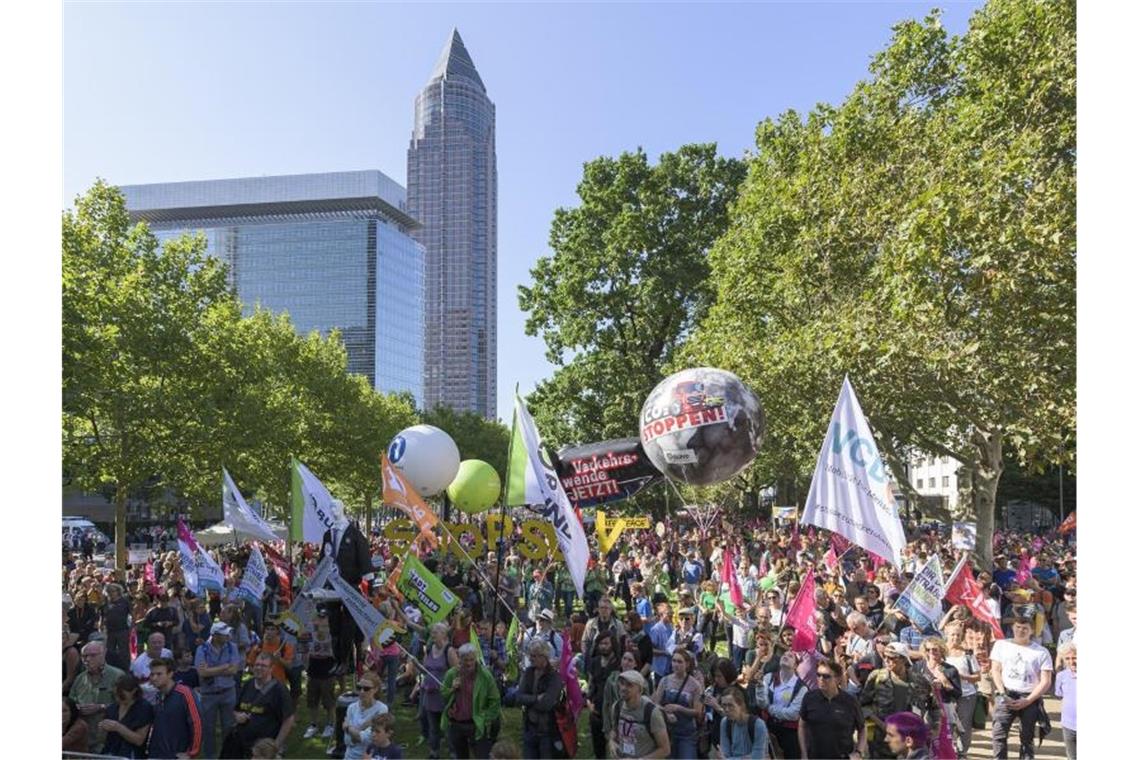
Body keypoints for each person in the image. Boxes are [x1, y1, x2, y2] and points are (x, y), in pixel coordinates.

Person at [861, 642, 941, 758]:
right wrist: (882, 725)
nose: (886, 661)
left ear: (903, 660)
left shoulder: (920, 681)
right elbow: (863, 705)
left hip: (912, 743)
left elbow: (935, 707)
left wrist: (936, 728)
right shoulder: (876, 678)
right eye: (884, 657)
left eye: (892, 658)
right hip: (883, 741)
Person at [990, 614, 1054, 760]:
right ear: (1012, 627)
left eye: (1025, 628)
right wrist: (1001, 693)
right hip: (1006, 695)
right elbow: (995, 670)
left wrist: (1029, 700)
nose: (1020, 631)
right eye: (1018, 627)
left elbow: (1046, 681)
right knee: (998, 735)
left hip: (1029, 697)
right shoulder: (1001, 645)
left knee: (1027, 738)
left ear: (1032, 631)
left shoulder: (1041, 652)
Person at [441, 642, 502, 759]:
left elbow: (495, 700)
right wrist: (451, 689)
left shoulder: (485, 676)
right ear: (459, 658)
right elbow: (443, 695)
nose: (469, 663)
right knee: (461, 756)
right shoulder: (451, 674)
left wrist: (484, 717)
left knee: (482, 756)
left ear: (476, 658)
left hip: (476, 725)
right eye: (465, 660)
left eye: (472, 660)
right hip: (456, 723)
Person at [798, 658, 866, 760]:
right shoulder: (809, 698)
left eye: (826, 676)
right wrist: (804, 754)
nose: (821, 679)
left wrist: (859, 752)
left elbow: (862, 728)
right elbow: (802, 726)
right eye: (818, 675)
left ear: (838, 679)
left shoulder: (850, 701)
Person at [70, 639, 127, 753]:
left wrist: (101, 707)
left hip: (107, 739)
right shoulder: (80, 679)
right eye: (84, 656)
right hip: (83, 740)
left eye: (92, 655)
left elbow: (126, 705)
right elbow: (69, 704)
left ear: (104, 654)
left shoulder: (118, 676)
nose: (87, 659)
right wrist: (76, 708)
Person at [196, 621, 242, 759]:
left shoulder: (232, 647)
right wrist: (224, 667)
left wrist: (211, 670)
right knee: (208, 728)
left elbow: (234, 670)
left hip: (228, 693)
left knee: (229, 727)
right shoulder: (202, 649)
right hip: (209, 694)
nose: (228, 636)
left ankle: (228, 755)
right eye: (224, 634)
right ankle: (210, 756)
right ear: (215, 636)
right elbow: (202, 673)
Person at [417, 621, 460, 759]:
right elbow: (425, 669)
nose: (432, 635)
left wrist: (452, 686)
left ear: (444, 634)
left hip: (444, 695)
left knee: (447, 726)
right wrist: (415, 664)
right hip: (430, 693)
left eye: (435, 632)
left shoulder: (449, 651)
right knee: (433, 726)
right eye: (432, 633)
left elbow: (457, 671)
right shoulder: (429, 649)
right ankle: (434, 751)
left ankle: (454, 752)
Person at [147, 656, 203, 759]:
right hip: (157, 754)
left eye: (159, 674)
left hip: (177, 755)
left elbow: (197, 723)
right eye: (152, 674)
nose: (154, 678)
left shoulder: (185, 693)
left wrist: (192, 753)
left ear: (170, 674)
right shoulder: (158, 696)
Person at [517, 639, 564, 759]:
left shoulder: (554, 677)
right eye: (530, 655)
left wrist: (529, 700)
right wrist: (536, 698)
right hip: (530, 728)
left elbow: (547, 704)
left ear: (544, 657)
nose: (531, 659)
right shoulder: (528, 673)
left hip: (548, 732)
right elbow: (518, 697)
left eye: (534, 656)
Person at [754, 651, 806, 759]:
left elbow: (793, 714)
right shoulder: (769, 677)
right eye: (784, 655)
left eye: (790, 656)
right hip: (768, 726)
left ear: (795, 665)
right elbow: (762, 704)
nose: (786, 656)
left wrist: (770, 708)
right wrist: (759, 687)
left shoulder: (802, 688)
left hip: (789, 731)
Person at [609, 669, 670, 759]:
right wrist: (611, 742)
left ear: (640, 690)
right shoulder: (617, 707)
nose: (623, 688)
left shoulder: (651, 712)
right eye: (621, 683)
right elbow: (614, 730)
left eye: (629, 685)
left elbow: (665, 750)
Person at [943, 621, 980, 757]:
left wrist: (961, 676)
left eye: (958, 635)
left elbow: (977, 677)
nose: (955, 638)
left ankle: (961, 753)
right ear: (946, 634)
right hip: (946, 696)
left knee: (964, 726)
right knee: (946, 725)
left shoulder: (968, 655)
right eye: (952, 634)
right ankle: (947, 751)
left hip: (967, 695)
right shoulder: (940, 652)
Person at [99, 673, 155, 759]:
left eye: (122, 696)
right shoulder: (112, 708)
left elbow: (139, 740)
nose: (118, 699)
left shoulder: (144, 709)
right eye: (115, 695)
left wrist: (118, 727)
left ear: (134, 691)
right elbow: (103, 738)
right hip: (110, 753)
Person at [586, 630, 623, 759]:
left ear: (612, 644)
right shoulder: (594, 662)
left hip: (614, 712)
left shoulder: (619, 663)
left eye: (606, 643)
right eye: (601, 643)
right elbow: (590, 684)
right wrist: (588, 702)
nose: (603, 646)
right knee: (599, 749)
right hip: (596, 711)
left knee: (617, 749)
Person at [341, 672, 387, 760]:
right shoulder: (351, 708)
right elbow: (347, 741)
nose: (362, 691)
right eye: (359, 688)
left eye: (366, 688)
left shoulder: (381, 709)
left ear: (376, 689)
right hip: (349, 756)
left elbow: (368, 739)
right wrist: (361, 730)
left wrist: (348, 728)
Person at [717, 684, 768, 760]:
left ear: (741, 705)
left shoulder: (758, 725)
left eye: (730, 705)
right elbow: (725, 754)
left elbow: (758, 757)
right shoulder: (725, 723)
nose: (726, 709)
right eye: (724, 705)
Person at [520, 608, 563, 673]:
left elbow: (562, 658)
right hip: (529, 671)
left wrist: (551, 664)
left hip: (548, 673)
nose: (539, 621)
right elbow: (520, 647)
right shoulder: (529, 632)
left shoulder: (556, 638)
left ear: (549, 623)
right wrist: (521, 633)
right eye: (538, 619)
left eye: (543, 620)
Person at [1054, 642, 1076, 760]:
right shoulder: (1061, 676)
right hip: (1068, 724)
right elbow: (1059, 694)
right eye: (1067, 658)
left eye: (1075, 657)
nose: (1071, 661)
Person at [647, 602, 675, 689]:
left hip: (671, 667)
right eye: (668, 613)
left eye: (672, 613)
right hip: (659, 669)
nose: (671, 615)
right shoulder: (656, 629)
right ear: (661, 615)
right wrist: (665, 653)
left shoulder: (671, 627)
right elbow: (650, 650)